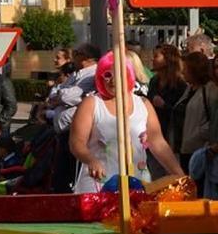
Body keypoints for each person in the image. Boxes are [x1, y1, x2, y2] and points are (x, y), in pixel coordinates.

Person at [70, 52, 183, 193]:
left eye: (118, 74)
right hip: (99, 185)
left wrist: (179, 174)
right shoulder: (91, 103)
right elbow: (76, 143)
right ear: (100, 77)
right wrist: (90, 160)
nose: (112, 80)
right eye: (107, 75)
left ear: (128, 75)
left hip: (137, 183)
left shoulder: (143, 104)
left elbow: (158, 143)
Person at [50, 43, 100, 193]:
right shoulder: (76, 74)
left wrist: (62, 95)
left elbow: (68, 95)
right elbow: (55, 93)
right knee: (61, 173)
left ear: (86, 57)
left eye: (77, 53)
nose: (73, 57)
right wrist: (61, 95)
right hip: (62, 132)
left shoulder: (91, 74)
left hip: (75, 130)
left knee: (70, 173)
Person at [174, 52, 218, 173]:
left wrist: (200, 134)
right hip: (184, 148)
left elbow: (213, 119)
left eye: (186, 69)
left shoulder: (210, 90)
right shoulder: (190, 89)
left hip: (198, 149)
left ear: (195, 70)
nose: (183, 73)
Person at [147, 45, 186, 177]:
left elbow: (183, 111)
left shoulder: (180, 84)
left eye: (157, 56)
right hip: (153, 134)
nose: (153, 59)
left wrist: (165, 106)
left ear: (168, 59)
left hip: (172, 138)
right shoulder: (154, 81)